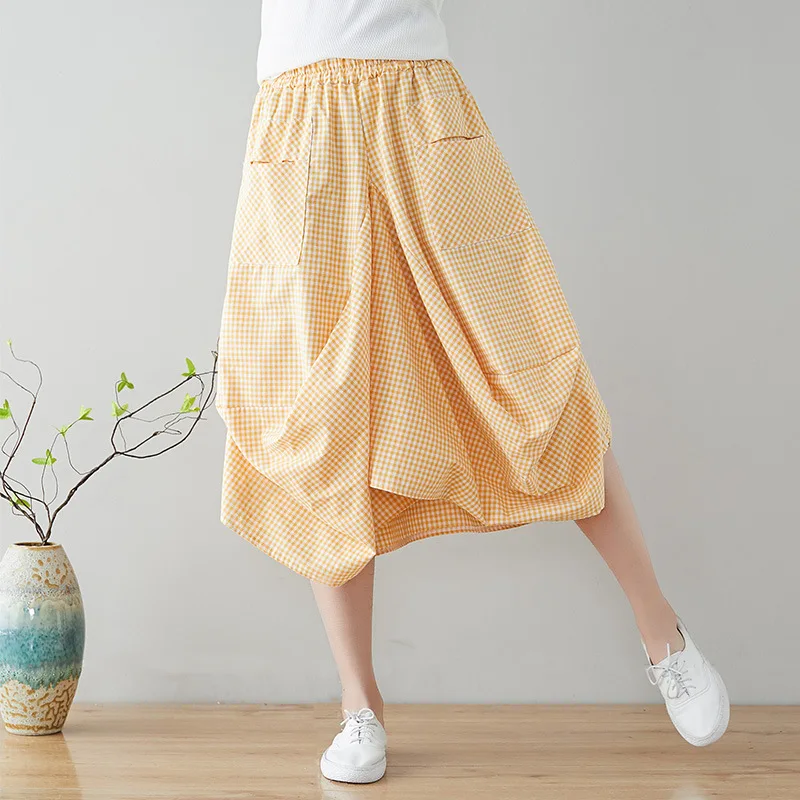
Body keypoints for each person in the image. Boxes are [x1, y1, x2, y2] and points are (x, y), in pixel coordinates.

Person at [214, 0, 729, 785]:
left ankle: (663, 633)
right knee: (318, 417)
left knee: (530, 380)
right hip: (300, 125)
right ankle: (359, 705)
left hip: (417, 107)